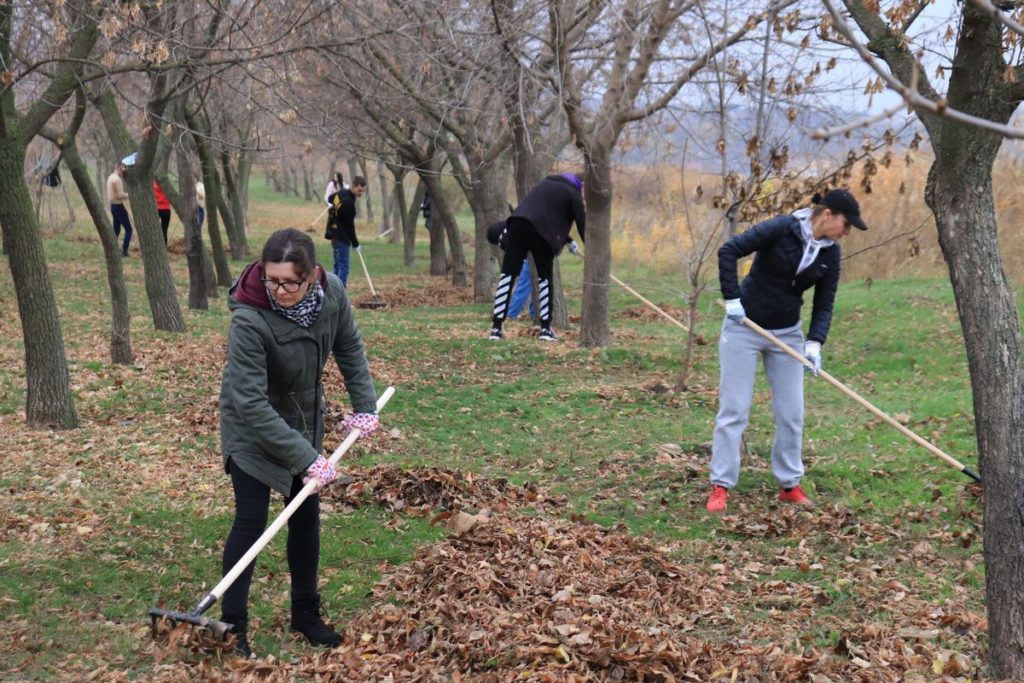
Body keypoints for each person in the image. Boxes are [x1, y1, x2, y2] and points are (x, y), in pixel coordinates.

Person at [218, 227, 381, 658]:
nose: (280, 291)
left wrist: (365, 406)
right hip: (251, 425)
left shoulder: (333, 296)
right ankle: (232, 626)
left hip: (302, 418)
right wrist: (306, 457)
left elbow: (349, 347)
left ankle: (305, 613)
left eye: (290, 282)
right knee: (251, 521)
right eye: (272, 280)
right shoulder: (249, 319)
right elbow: (250, 404)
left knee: (305, 517)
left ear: (311, 277)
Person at [706, 189, 867, 514]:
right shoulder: (781, 228)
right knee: (734, 410)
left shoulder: (830, 253)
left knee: (791, 414)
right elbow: (729, 251)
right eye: (846, 224)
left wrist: (814, 342)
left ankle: (789, 485)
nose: (847, 232)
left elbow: (825, 302)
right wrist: (733, 297)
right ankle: (720, 485)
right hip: (745, 327)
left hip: (787, 333)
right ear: (828, 215)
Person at [487, 173, 585, 342]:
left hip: (517, 225)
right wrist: (591, 250)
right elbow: (584, 226)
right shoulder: (573, 193)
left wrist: (568, 241)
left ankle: (496, 329)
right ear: (580, 186)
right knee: (544, 279)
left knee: (508, 275)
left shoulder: (545, 183)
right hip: (542, 235)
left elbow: (540, 214)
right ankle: (545, 330)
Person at [324, 175, 366, 286]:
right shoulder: (349, 203)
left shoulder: (342, 193)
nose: (360, 193)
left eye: (362, 191)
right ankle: (339, 296)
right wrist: (356, 244)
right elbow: (350, 227)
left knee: (337, 267)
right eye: (359, 190)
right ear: (353, 186)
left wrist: (334, 206)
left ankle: (331, 291)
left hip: (334, 235)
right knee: (343, 269)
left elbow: (330, 198)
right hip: (341, 238)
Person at [106, 160, 132, 257]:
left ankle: (111, 248)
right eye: (123, 170)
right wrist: (130, 195)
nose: (123, 173)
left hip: (113, 206)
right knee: (129, 229)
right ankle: (124, 250)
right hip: (118, 205)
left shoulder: (110, 177)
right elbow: (120, 195)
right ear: (119, 169)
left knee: (116, 229)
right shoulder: (117, 180)